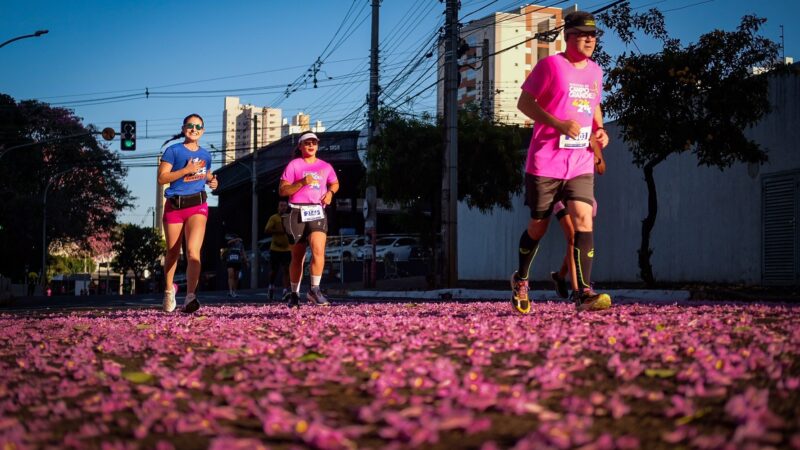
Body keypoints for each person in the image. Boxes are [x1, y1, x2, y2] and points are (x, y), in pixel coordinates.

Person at [511, 11, 611, 314]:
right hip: (545, 161)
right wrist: (557, 123)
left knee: (584, 219)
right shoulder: (551, 65)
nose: (590, 40)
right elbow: (524, 103)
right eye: (583, 34)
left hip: (579, 160)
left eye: (593, 35)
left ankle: (583, 293)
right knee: (538, 227)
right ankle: (521, 279)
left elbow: (594, 105)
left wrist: (600, 130)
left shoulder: (595, 71)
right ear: (568, 36)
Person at [158, 114, 217, 313]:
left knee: (193, 252)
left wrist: (212, 180)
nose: (194, 129)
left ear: (203, 130)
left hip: (198, 205)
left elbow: (204, 173)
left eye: (198, 126)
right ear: (184, 128)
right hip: (175, 206)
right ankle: (168, 291)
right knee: (173, 251)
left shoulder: (206, 155)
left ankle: (190, 296)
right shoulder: (173, 151)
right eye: (190, 126)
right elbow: (162, 178)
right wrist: (186, 170)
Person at [278, 131, 339, 308]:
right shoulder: (294, 165)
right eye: (307, 143)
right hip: (296, 211)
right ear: (300, 146)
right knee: (298, 257)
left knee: (319, 250)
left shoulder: (325, 166)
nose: (311, 145)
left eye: (314, 142)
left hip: (317, 211)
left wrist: (330, 193)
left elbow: (334, 182)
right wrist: (302, 183)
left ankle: (314, 289)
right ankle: (294, 293)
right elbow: (283, 191)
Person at [550, 138, 604, 299]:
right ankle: (578, 289)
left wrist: (595, 153)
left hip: (582, 194)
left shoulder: (592, 138)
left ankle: (560, 276)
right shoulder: (561, 133)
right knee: (572, 237)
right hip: (559, 194)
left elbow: (601, 168)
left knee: (579, 241)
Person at [264, 200, 291, 300]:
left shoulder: (289, 218)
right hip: (275, 248)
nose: (283, 207)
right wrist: (279, 231)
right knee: (274, 271)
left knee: (286, 270)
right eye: (281, 205)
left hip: (287, 249)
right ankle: (271, 286)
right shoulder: (274, 218)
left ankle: (285, 291)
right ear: (278, 207)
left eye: (285, 206)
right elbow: (267, 230)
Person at [223, 234, 248, 298]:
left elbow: (243, 252)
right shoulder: (230, 243)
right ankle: (230, 291)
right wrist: (236, 239)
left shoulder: (240, 244)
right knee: (230, 275)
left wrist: (246, 261)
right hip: (230, 261)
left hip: (238, 262)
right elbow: (228, 242)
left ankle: (234, 291)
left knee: (236, 277)